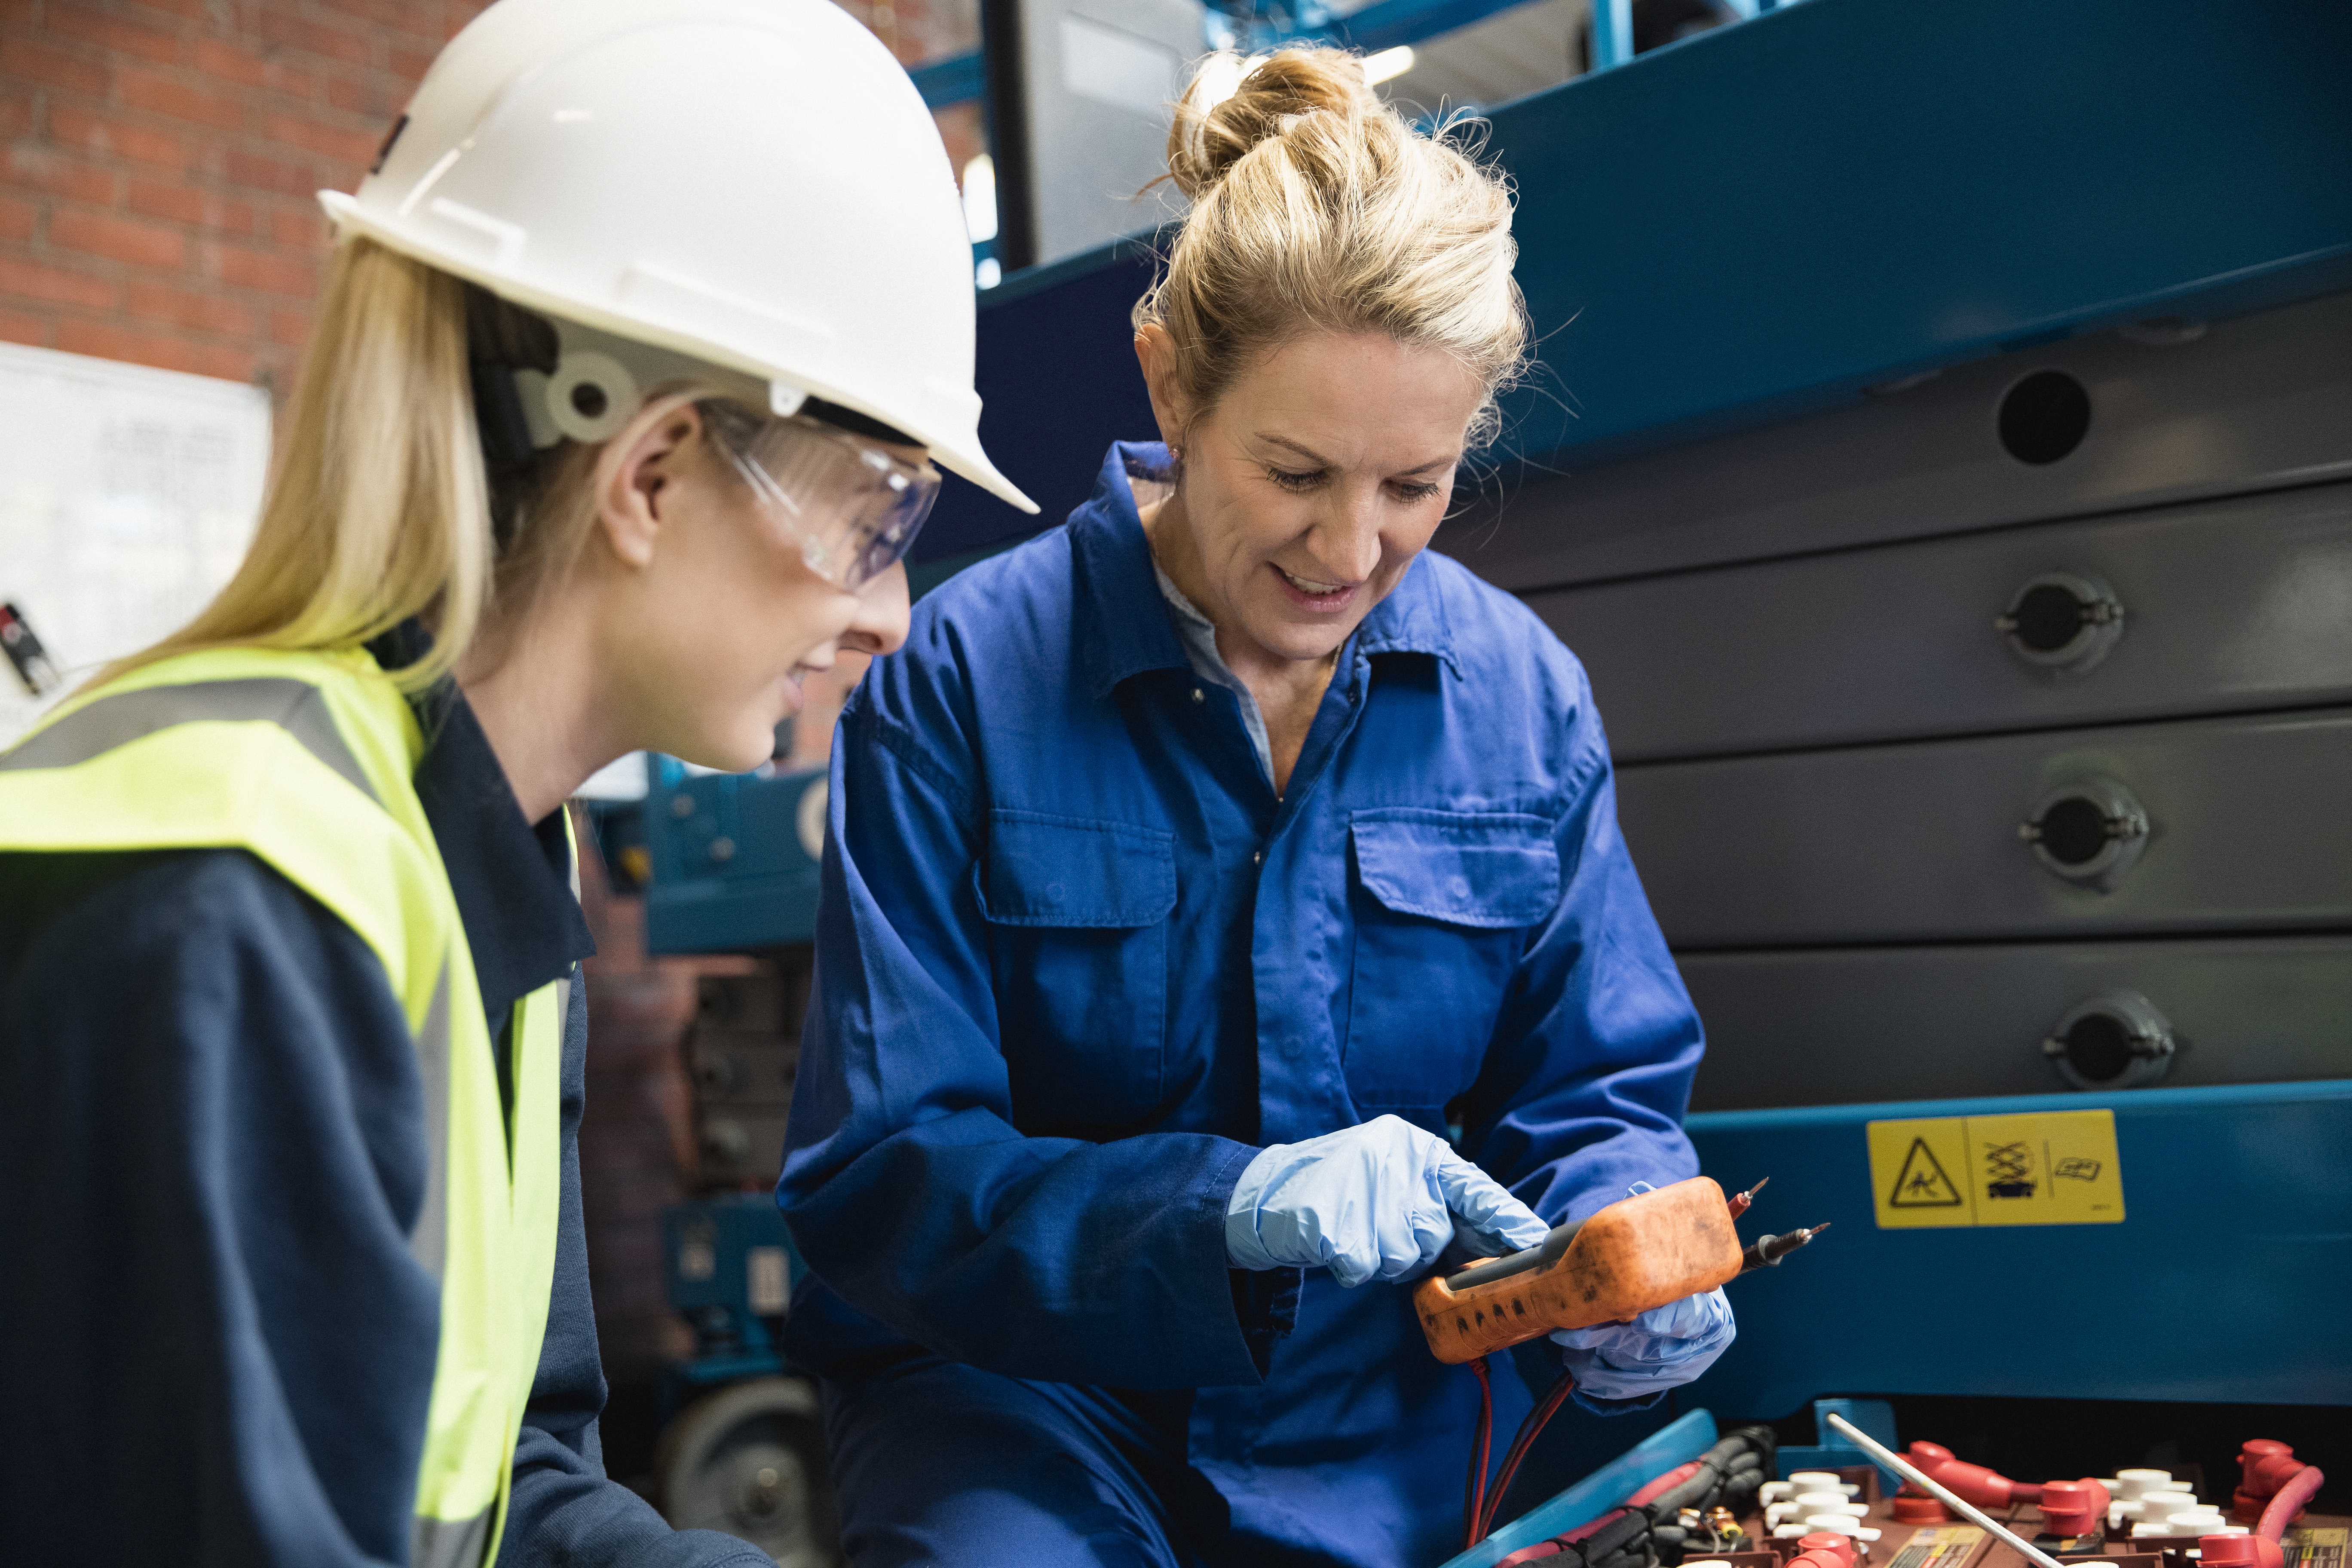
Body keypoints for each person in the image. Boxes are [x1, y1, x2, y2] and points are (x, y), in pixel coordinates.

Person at [0, 1, 1032, 1563]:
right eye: (877, 520)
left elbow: (502, 1478)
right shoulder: (238, 899)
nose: (891, 612)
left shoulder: (475, 843)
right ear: (657, 471)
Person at [778, 46, 1734, 1568]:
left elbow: (1596, 1088)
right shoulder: (959, 679)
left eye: (1415, 485)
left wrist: (1633, 1246)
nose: (1349, 548)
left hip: (1391, 1427)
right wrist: (1232, 1207)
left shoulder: (1520, 698)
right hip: (1031, 1415)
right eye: (1295, 470)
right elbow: (883, 1178)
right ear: (1170, 378)